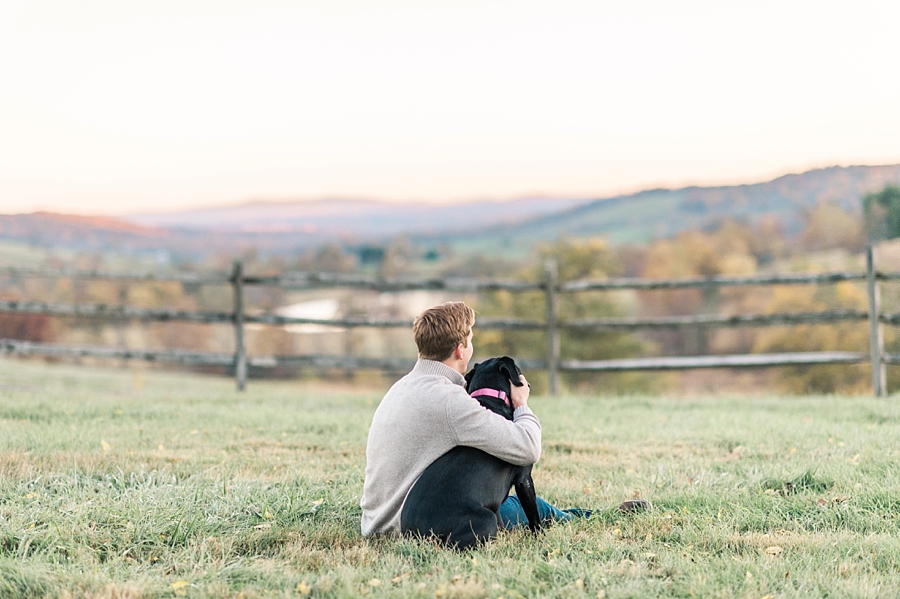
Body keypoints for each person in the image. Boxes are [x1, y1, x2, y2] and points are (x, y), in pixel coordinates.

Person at [360, 300, 585, 538]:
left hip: (375, 522)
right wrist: (521, 404)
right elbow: (528, 448)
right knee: (529, 506)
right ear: (460, 349)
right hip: (416, 523)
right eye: (471, 339)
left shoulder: (399, 388)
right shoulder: (449, 401)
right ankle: (591, 516)